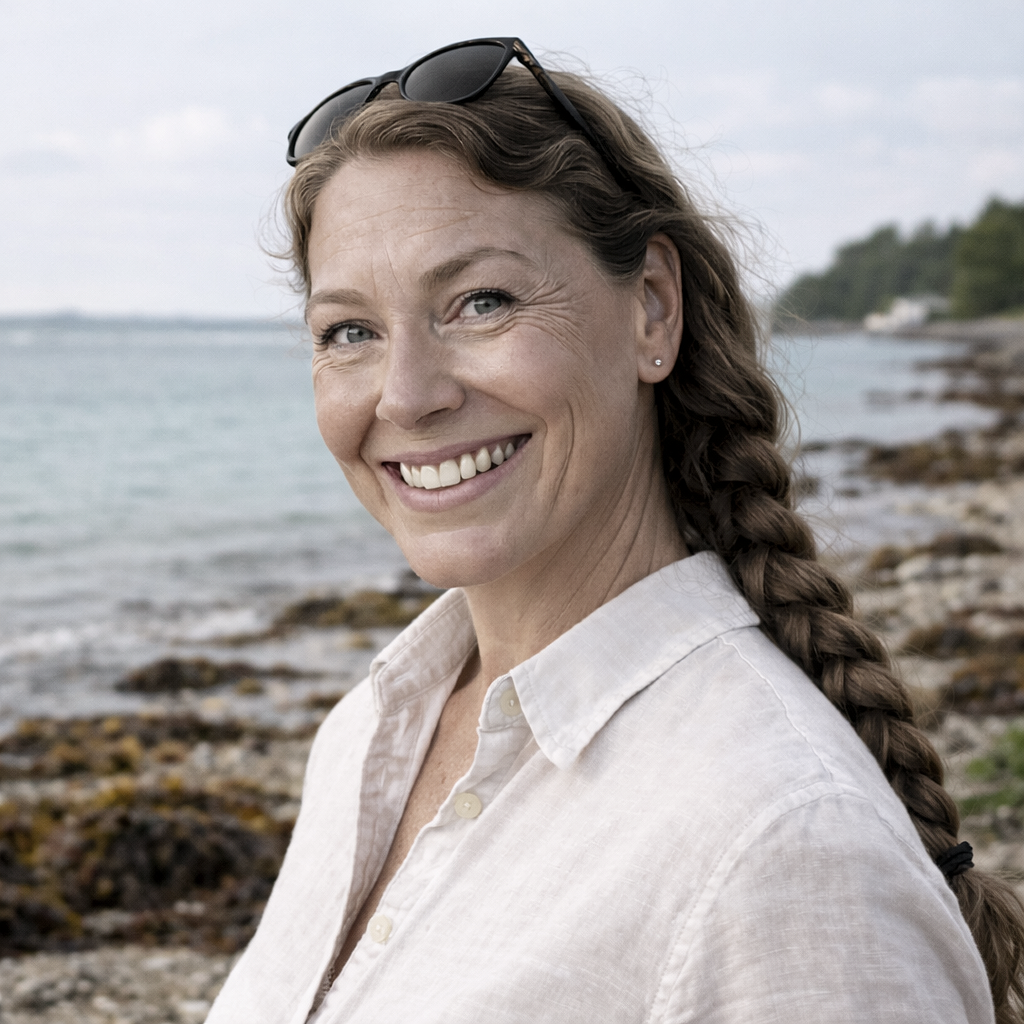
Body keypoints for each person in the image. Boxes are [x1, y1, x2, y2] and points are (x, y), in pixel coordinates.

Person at [207, 38, 1024, 1024]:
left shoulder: (785, 849)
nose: (407, 396)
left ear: (652, 310)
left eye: (480, 302)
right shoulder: (367, 735)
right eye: (350, 331)